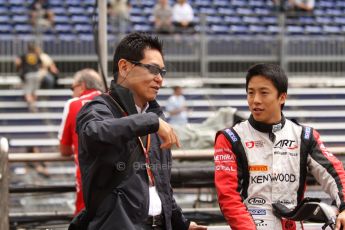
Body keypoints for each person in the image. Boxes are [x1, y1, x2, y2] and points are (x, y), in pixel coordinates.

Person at [75, 33, 206, 230]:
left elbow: (161, 186)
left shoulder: (154, 118)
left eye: (162, 72)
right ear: (124, 67)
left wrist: (182, 223)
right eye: (153, 69)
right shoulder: (98, 108)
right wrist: (151, 121)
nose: (159, 79)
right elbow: (94, 133)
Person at [214, 63, 345, 230]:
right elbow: (228, 196)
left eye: (264, 93)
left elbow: (335, 173)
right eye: (251, 93)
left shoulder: (305, 136)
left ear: (282, 97)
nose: (255, 100)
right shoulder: (231, 138)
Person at [58, 69, 104, 215]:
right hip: (120, 176)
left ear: (82, 85)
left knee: (84, 219)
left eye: (73, 88)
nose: (72, 92)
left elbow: (64, 149)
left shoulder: (73, 104)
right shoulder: (115, 100)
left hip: (87, 177)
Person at [15, 43, 42, 112]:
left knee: (27, 92)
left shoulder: (24, 55)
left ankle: (32, 106)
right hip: (36, 74)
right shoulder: (36, 55)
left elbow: (17, 62)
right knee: (34, 92)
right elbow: (41, 64)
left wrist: (18, 69)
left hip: (28, 74)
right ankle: (34, 104)